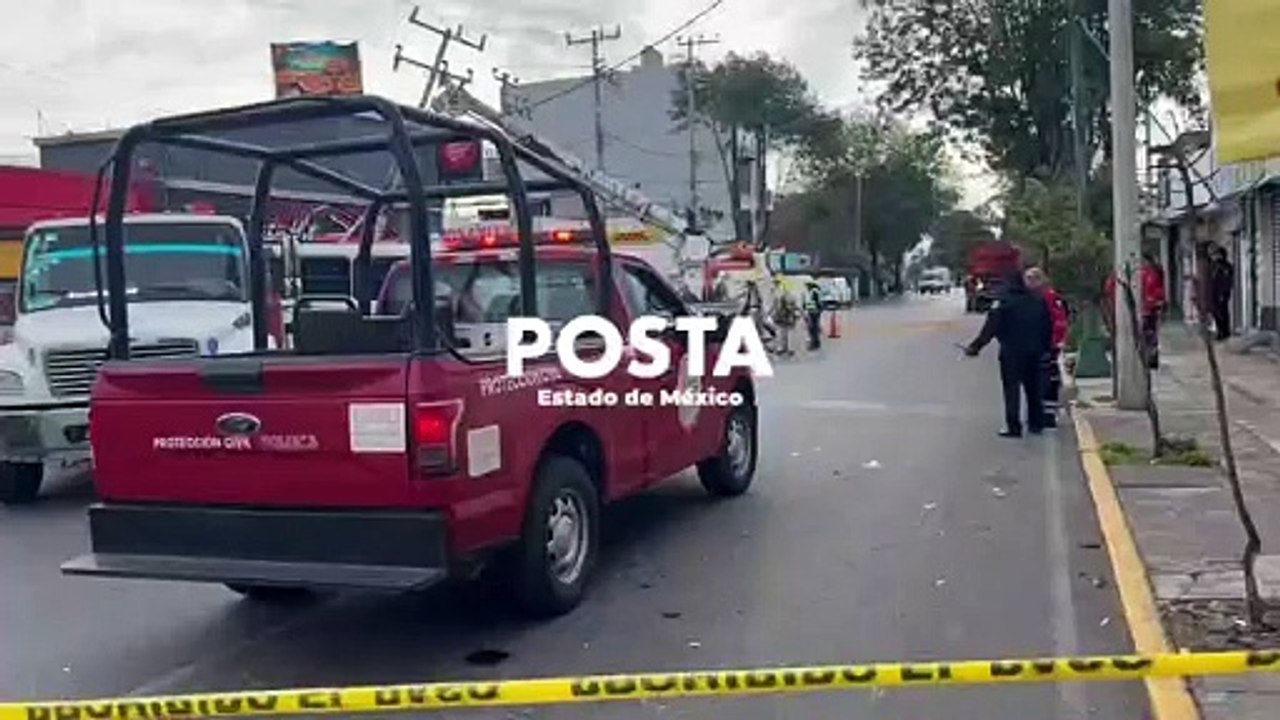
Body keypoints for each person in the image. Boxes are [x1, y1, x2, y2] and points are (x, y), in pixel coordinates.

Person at [964, 269, 1053, 437]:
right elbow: (1047, 326)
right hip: (1034, 352)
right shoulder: (1037, 300)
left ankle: (1014, 427)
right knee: (1033, 388)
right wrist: (1046, 349)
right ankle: (1036, 423)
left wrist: (975, 347)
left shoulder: (1003, 301)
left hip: (1011, 353)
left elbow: (990, 328)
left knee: (1011, 389)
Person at [1023, 266, 1068, 428]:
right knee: (1035, 380)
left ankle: (1048, 415)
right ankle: (1037, 413)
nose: (1028, 283)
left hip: (1048, 344)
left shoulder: (1049, 296)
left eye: (1031, 279)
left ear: (1039, 280)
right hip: (1034, 344)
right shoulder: (1029, 297)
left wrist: (1056, 342)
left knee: (1048, 380)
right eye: (1027, 279)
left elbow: (1059, 320)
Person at [1210, 246, 1234, 341]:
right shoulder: (1215, 265)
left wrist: (1223, 293)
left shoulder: (1226, 267)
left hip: (1223, 293)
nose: (1216, 256)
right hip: (1215, 293)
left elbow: (1227, 281)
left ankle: (1224, 332)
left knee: (1223, 313)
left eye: (1218, 254)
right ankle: (1220, 331)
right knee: (1217, 313)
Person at [804, 280, 824, 351]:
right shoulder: (814, 291)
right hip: (813, 311)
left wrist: (814, 310)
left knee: (813, 328)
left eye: (807, 285)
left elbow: (816, 302)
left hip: (814, 312)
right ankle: (816, 343)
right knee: (814, 328)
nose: (806, 287)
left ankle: (814, 344)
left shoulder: (814, 291)